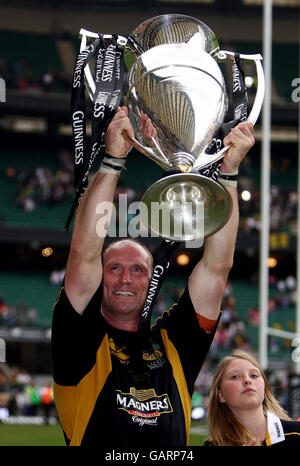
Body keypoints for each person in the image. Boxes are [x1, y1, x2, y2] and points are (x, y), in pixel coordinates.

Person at [51, 106, 255, 447]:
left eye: (138, 269)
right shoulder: (81, 343)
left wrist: (229, 172)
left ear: (150, 282)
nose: (126, 279)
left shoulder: (174, 345)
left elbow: (217, 267)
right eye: (114, 268)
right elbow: (83, 253)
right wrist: (113, 160)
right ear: (101, 278)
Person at [204, 349, 300, 446]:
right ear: (220, 395)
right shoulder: (212, 444)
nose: (247, 380)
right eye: (235, 377)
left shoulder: (296, 433)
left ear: (264, 388)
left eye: (254, 375)